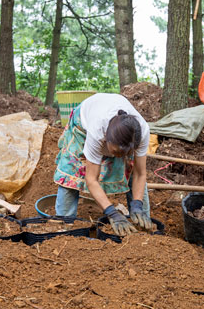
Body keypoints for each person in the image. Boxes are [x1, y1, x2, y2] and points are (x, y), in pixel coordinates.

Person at [54, 93, 152, 235]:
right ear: (106, 140)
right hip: (83, 123)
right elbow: (91, 179)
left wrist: (137, 204)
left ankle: (143, 225)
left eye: (124, 153)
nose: (118, 157)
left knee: (131, 170)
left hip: (118, 131)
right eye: (116, 153)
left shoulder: (141, 133)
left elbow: (140, 173)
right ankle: (64, 226)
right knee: (73, 173)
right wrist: (112, 212)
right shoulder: (97, 130)